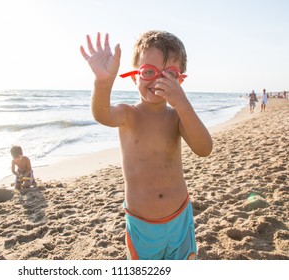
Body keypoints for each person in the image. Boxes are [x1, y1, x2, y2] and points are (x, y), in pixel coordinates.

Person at [80, 31, 212, 260]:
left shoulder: (177, 117)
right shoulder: (128, 115)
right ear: (134, 77)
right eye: (149, 72)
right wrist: (103, 82)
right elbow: (102, 114)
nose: (157, 80)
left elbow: (204, 149)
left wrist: (182, 103)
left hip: (180, 216)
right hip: (143, 225)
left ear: (180, 80)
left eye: (169, 74)